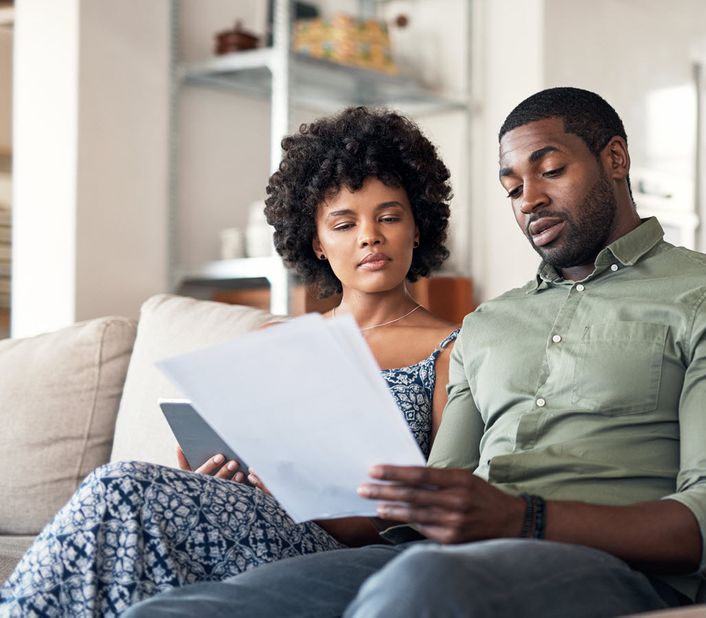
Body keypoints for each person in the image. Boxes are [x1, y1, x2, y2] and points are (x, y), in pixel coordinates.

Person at [122, 87, 706, 618]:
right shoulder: (490, 325)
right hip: (445, 557)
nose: (529, 198)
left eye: (551, 169)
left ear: (614, 159)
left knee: (419, 588)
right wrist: (289, 483)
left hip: (610, 570)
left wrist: (521, 516)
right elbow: (422, 513)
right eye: (511, 186)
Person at [0, 107, 459, 617]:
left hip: (348, 551)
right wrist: (217, 475)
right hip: (254, 520)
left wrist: (305, 500)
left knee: (122, 488)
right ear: (317, 244)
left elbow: (434, 514)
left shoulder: (450, 350)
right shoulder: (279, 340)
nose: (369, 236)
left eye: (389, 217)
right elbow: (243, 456)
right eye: (344, 223)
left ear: (418, 228)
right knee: (129, 524)